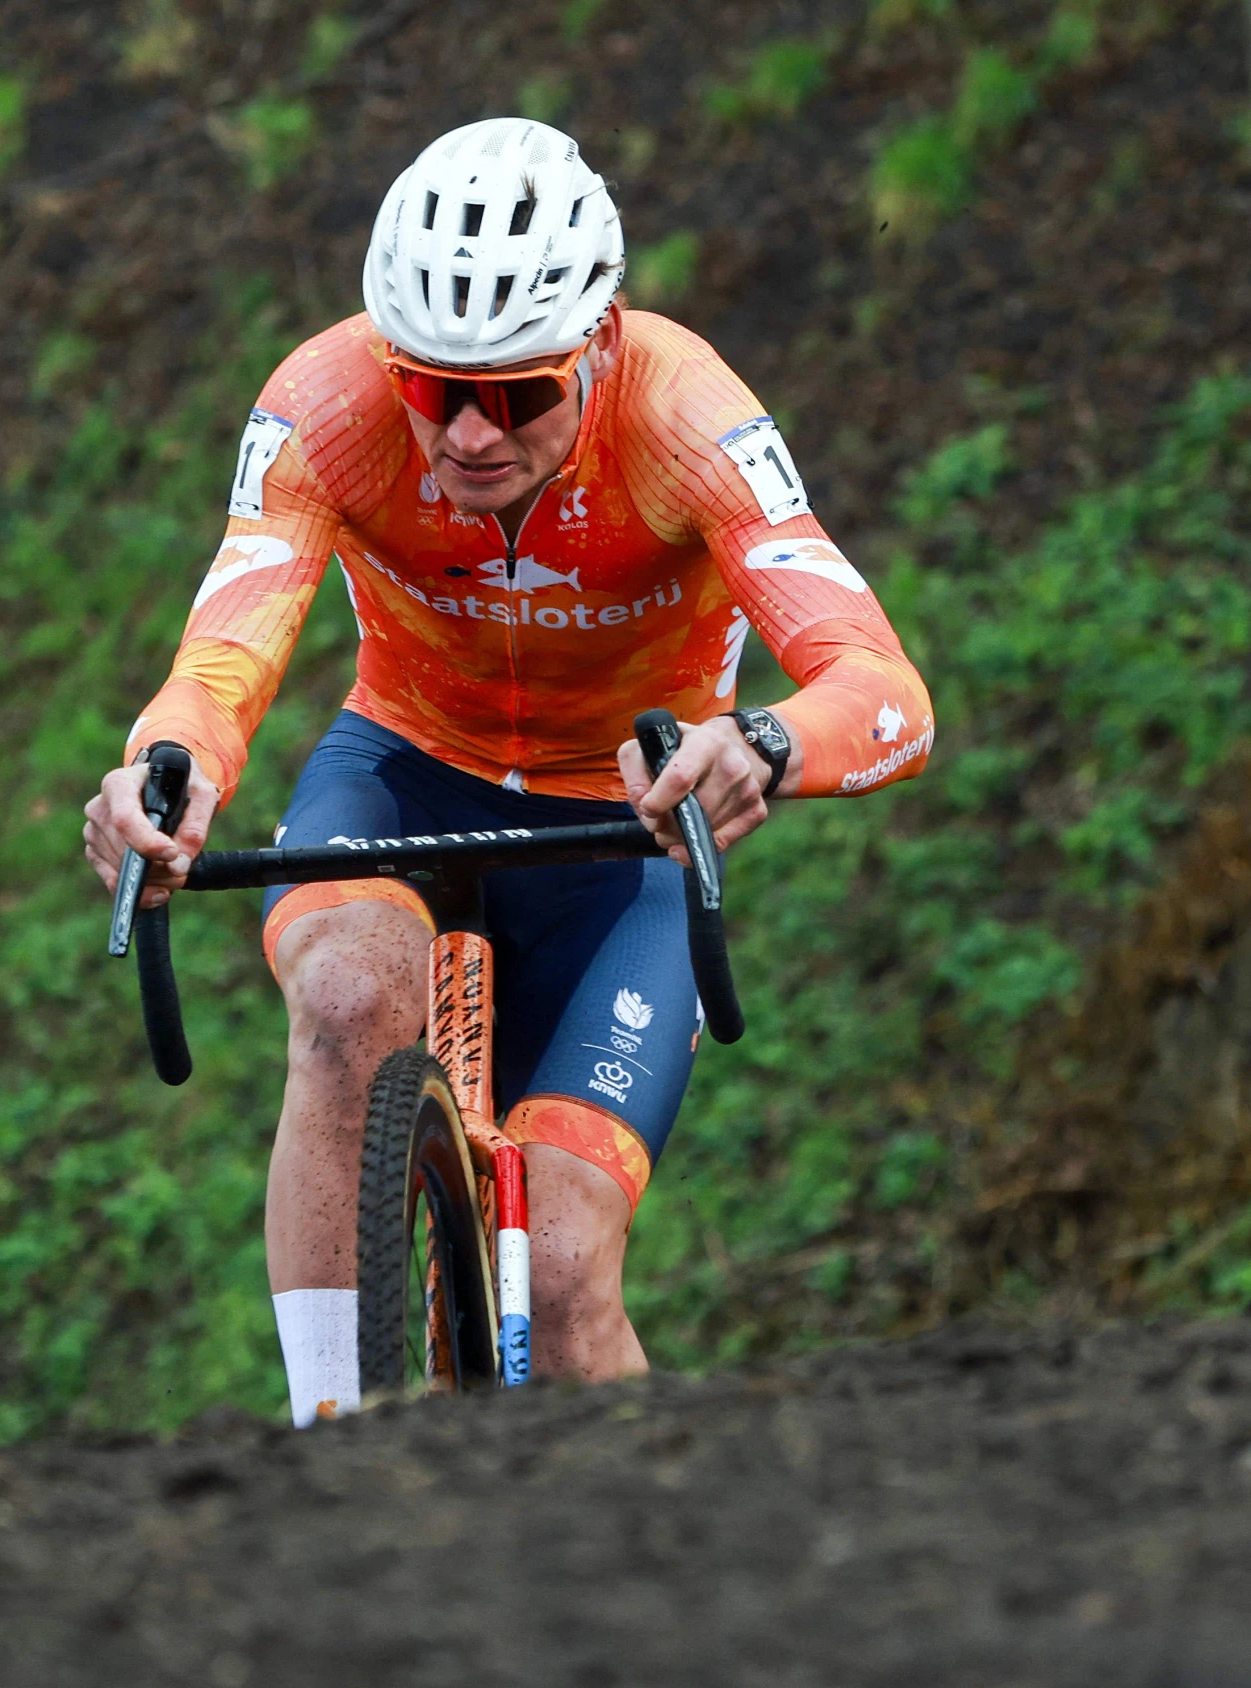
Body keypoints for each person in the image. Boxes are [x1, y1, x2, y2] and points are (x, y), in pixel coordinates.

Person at [84, 118, 935, 1425]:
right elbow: (225, 653)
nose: (472, 434)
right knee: (347, 996)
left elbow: (887, 694)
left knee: (573, 1275)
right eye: (433, 392)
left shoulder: (685, 417)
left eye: (521, 395)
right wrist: (170, 763)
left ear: (598, 343)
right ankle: (332, 1443)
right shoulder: (326, 405)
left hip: (622, 827)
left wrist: (766, 744)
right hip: (407, 769)